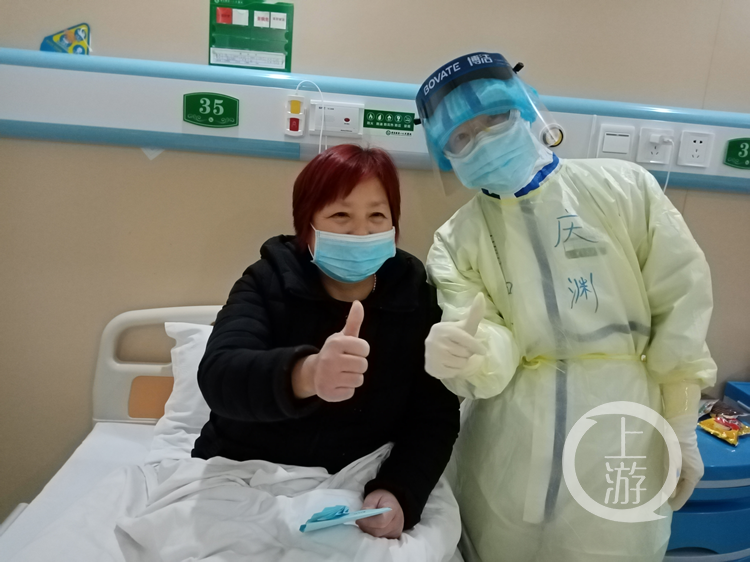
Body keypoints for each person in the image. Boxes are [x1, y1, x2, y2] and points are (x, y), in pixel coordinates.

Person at [416, 52, 717, 561]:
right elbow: (492, 347)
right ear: (446, 155)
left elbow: (680, 305)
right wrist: (467, 355)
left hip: (620, 433)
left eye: (494, 118)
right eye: (461, 136)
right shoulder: (456, 240)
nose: (483, 140)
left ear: (528, 111)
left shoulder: (625, 190)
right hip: (507, 453)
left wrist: (683, 424)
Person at [192, 143, 460, 540]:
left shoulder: (415, 299)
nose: (361, 231)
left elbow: (434, 416)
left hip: (354, 483)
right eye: (340, 215)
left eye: (377, 216)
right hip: (244, 471)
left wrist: (399, 491)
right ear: (308, 225)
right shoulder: (266, 282)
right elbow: (220, 375)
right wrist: (306, 374)